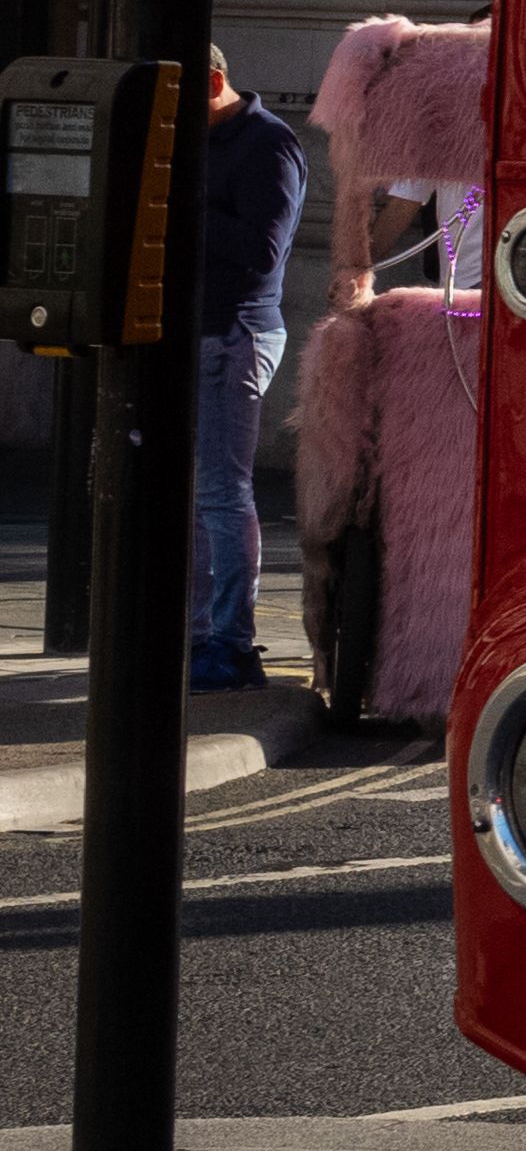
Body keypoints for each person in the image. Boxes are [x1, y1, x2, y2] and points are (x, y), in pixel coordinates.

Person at [188, 44, 310, 692]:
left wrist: (185, 205)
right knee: (191, 498)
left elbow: (263, 254)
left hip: (233, 334)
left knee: (220, 493)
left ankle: (232, 646)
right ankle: (198, 636)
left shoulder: (268, 145)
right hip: (192, 332)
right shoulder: (198, 139)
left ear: (213, 82)